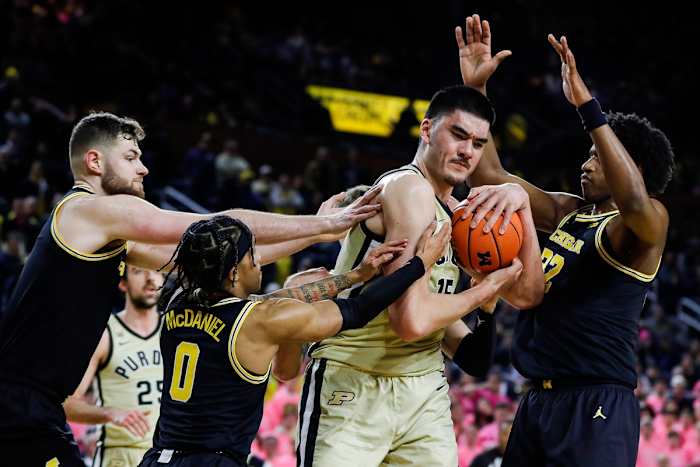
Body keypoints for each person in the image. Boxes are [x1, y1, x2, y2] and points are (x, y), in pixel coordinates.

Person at [0, 111, 381, 466]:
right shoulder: (88, 209)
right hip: (17, 401)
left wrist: (316, 231)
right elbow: (219, 227)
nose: (143, 168)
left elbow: (227, 255)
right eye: (131, 157)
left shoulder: (109, 233)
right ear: (95, 162)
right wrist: (326, 225)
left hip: (35, 405)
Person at [456, 14, 675, 466]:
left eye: (598, 157)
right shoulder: (567, 211)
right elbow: (492, 176)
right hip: (537, 399)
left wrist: (589, 109)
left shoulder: (644, 224)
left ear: (627, 166)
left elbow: (634, 202)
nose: (587, 164)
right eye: (589, 155)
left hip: (596, 402)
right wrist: (476, 93)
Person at [301, 85, 544, 466]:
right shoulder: (408, 187)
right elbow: (410, 322)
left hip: (423, 388)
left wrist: (524, 205)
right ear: (427, 130)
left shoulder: (460, 214)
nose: (468, 152)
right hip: (354, 378)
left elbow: (529, 296)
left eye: (478, 144)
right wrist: (483, 293)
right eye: (458, 135)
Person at [138, 215, 449, 466]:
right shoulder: (260, 320)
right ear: (233, 272)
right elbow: (358, 309)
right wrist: (418, 265)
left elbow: (272, 301)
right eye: (252, 256)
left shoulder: (178, 303)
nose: (258, 263)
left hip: (157, 457)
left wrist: (353, 276)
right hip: (214, 461)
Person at [64, 265, 165, 467]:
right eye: (138, 271)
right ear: (122, 283)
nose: (150, 278)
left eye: (156, 270)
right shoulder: (104, 335)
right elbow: (67, 405)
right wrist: (111, 413)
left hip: (168, 456)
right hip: (120, 456)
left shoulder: (176, 328)